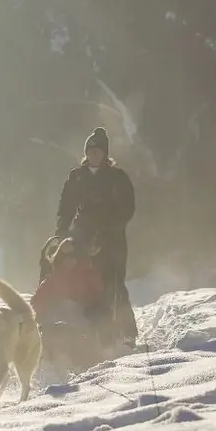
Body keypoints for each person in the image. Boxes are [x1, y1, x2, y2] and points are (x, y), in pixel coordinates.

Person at [53, 127, 137, 344]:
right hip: (83, 232)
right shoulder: (77, 177)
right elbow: (66, 206)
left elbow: (127, 208)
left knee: (114, 283)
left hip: (112, 236)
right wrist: (62, 232)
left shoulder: (117, 177)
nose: (93, 155)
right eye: (90, 151)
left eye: (97, 152)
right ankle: (94, 329)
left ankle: (127, 332)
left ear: (105, 154)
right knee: (84, 279)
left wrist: (109, 229)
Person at [30, 237, 104, 326]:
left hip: (83, 323)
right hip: (58, 324)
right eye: (63, 256)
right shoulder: (54, 278)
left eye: (72, 256)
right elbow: (37, 301)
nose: (68, 260)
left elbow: (99, 296)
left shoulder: (87, 275)